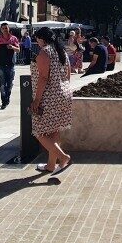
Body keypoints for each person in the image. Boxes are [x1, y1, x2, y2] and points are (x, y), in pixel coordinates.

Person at [29, 27, 73, 174]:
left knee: (39, 132)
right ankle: (50, 165)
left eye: (37, 39)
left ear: (41, 39)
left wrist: (37, 100)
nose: (37, 42)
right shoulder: (62, 52)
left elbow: (43, 77)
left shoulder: (45, 52)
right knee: (54, 131)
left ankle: (63, 157)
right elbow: (68, 74)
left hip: (48, 97)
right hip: (64, 95)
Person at [0, 22, 21, 109]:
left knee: (10, 84)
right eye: (3, 28)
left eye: (6, 28)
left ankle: (7, 97)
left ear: (9, 29)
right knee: (2, 84)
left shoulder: (13, 39)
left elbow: (18, 50)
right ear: (1, 30)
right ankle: (4, 101)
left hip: (10, 65)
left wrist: (12, 47)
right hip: (1, 65)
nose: (5, 29)